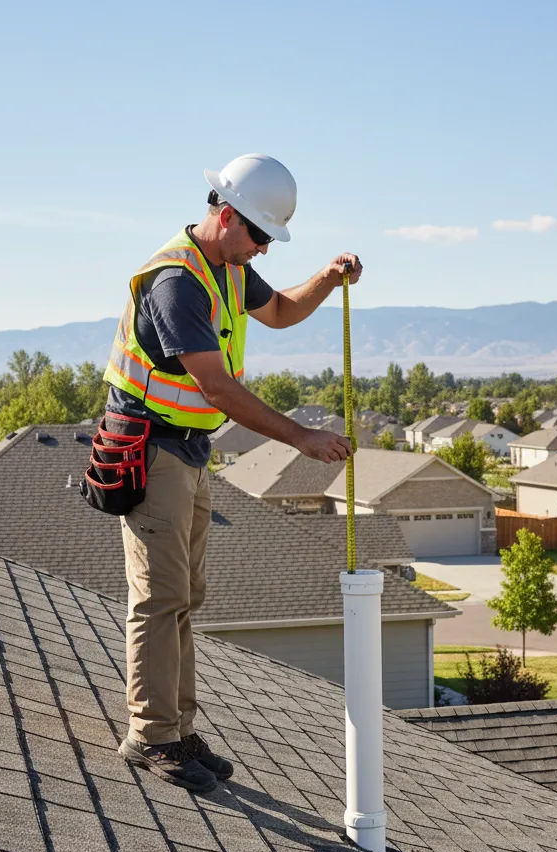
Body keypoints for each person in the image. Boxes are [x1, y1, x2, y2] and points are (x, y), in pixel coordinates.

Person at [103, 153, 363, 792]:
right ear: (224, 213)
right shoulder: (177, 281)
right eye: (259, 236)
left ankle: (178, 729)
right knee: (160, 598)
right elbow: (215, 386)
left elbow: (278, 313)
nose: (264, 250)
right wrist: (300, 435)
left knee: (184, 599)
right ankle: (150, 735)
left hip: (188, 453)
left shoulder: (225, 268)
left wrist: (326, 279)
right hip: (152, 449)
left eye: (272, 240)